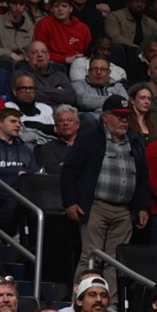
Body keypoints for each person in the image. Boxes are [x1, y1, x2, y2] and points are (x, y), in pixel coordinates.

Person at [60, 95, 148, 260]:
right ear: (106, 117)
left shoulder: (135, 140)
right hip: (96, 207)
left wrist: (142, 207)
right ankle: (83, 286)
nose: (124, 120)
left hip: (124, 210)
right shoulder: (90, 137)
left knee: (116, 261)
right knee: (91, 256)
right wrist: (70, 202)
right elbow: (69, 171)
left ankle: (111, 287)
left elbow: (142, 177)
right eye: (119, 116)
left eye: (126, 117)